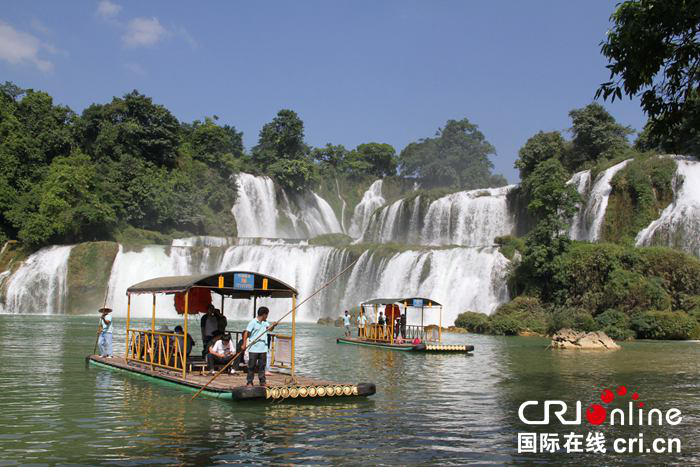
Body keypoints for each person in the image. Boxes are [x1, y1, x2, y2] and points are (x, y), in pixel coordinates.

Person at [242, 307, 276, 387]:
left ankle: (262, 382)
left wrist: (274, 325)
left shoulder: (265, 322)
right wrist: (244, 344)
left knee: (262, 366)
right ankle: (249, 382)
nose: (267, 316)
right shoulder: (253, 322)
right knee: (251, 366)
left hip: (263, 348)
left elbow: (269, 329)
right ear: (264, 314)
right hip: (253, 348)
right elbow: (246, 333)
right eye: (267, 314)